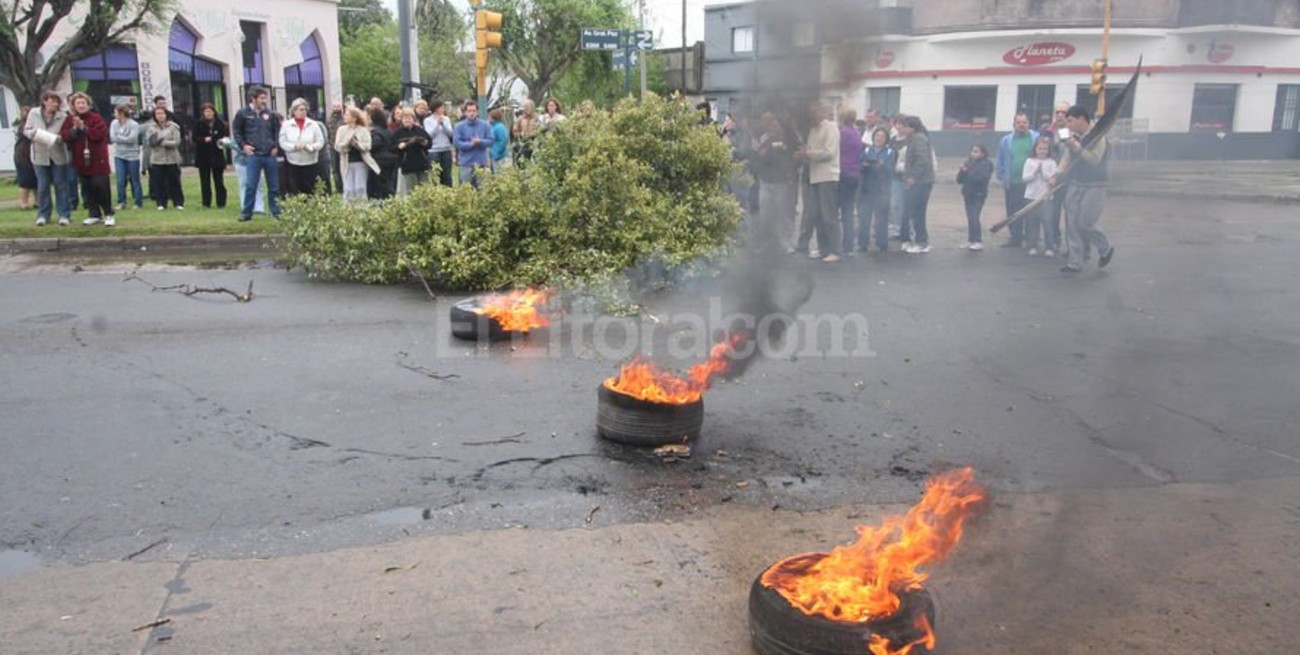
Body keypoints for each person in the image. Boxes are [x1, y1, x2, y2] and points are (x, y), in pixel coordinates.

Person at [1055, 105, 1115, 273]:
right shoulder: (1072, 136)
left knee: (1085, 223)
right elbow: (1066, 157)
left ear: (1082, 119)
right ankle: (1074, 262)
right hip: (1075, 182)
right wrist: (1057, 174)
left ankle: (1105, 248)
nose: (1067, 124)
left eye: (1070, 120)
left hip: (1096, 184)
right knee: (1072, 224)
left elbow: (1094, 160)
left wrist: (1076, 147)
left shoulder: (1099, 137)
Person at [794, 102, 842, 263]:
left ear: (822, 112)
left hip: (828, 176)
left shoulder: (831, 128)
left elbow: (829, 153)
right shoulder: (813, 130)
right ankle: (824, 249)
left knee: (829, 216)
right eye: (810, 113)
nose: (811, 116)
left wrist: (807, 153)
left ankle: (835, 250)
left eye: (814, 112)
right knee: (819, 215)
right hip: (815, 176)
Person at [60, 92, 114, 226]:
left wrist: (84, 128)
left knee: (100, 186)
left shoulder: (96, 118)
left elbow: (100, 134)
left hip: (98, 159)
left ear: (88, 104)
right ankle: (94, 213)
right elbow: (65, 136)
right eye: (78, 103)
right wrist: (75, 129)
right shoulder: (69, 120)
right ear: (73, 106)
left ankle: (108, 213)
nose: (81, 105)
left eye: (83, 103)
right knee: (87, 188)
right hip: (81, 160)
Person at [231, 86, 282, 220]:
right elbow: (237, 131)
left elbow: (277, 131)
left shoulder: (271, 114)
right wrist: (243, 146)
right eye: (262, 98)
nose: (264, 101)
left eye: (265, 98)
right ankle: (247, 212)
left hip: (269, 154)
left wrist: (275, 146)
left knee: (274, 185)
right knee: (251, 185)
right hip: (254, 155)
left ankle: (275, 212)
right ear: (253, 98)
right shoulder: (243, 113)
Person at [750, 111, 797, 253]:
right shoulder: (764, 139)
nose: (774, 128)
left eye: (776, 125)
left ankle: (786, 243)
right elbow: (760, 156)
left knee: (783, 214)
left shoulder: (787, 139)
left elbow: (789, 157)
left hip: (781, 182)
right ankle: (766, 243)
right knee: (765, 215)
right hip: (766, 181)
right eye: (771, 125)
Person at [24, 90, 71, 226]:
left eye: (56, 102)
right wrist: (34, 134)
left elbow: (66, 134)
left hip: (57, 154)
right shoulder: (34, 113)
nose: (54, 105)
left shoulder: (62, 116)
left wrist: (58, 138)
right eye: (51, 101)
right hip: (39, 154)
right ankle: (43, 215)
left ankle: (64, 214)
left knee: (60, 185)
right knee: (43, 186)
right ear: (44, 102)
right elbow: (26, 130)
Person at [995, 112, 1039, 248]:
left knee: (1032, 212)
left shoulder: (1036, 138)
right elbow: (1000, 158)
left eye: (1024, 122)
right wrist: (1001, 175)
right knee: (1013, 211)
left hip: (1032, 182)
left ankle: (1032, 239)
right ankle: (1015, 238)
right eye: (1018, 122)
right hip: (1013, 182)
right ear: (1014, 125)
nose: (1021, 125)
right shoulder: (1006, 140)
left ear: (1028, 124)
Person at [899, 116, 935, 254]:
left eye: (906, 126)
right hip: (920, 181)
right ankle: (919, 240)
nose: (903, 129)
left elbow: (922, 160)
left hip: (921, 182)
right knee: (916, 212)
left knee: (918, 212)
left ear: (912, 128)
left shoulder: (918, 139)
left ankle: (922, 242)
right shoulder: (915, 138)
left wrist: (913, 177)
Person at [859, 127, 896, 252]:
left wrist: (882, 165)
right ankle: (862, 243)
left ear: (886, 139)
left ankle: (882, 243)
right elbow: (859, 166)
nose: (879, 138)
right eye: (877, 136)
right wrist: (864, 165)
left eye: (882, 136)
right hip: (867, 188)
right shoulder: (867, 150)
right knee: (864, 217)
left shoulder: (890, 152)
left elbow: (891, 170)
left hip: (882, 189)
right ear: (873, 137)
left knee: (881, 218)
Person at [279, 98, 325, 196]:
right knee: (295, 187)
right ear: (294, 111)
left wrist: (311, 147)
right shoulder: (287, 125)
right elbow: (282, 142)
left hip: (310, 161)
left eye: (305, 109)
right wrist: (294, 146)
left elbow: (320, 141)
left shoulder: (313, 124)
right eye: (300, 109)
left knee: (310, 188)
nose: (303, 112)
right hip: (293, 162)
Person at [1022, 135, 1059, 257]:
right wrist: (1034, 172)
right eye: (1040, 148)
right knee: (1031, 222)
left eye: (1045, 149)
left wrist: (1043, 173)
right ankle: (1032, 245)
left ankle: (1049, 246)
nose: (1042, 151)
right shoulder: (1029, 161)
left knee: (1047, 222)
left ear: (1048, 150)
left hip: (1046, 197)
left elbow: (1053, 179)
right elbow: (1025, 178)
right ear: (1035, 149)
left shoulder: (1052, 163)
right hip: (1031, 196)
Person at [145, 105, 185, 210]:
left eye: (162, 113)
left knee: (174, 181)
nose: (160, 116)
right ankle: (161, 203)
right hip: (157, 159)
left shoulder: (173, 126)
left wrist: (163, 142)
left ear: (166, 115)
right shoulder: (151, 127)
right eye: (157, 114)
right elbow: (150, 142)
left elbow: (177, 141)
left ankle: (178, 203)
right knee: (159, 182)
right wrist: (155, 142)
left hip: (172, 158)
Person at [334, 106, 377, 202]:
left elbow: (368, 146)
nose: (344, 116)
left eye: (347, 114)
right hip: (346, 162)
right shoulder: (341, 129)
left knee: (360, 187)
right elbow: (337, 146)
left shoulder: (363, 130)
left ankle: (362, 211)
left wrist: (357, 144)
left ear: (354, 118)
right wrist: (347, 143)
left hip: (360, 162)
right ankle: (348, 211)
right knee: (348, 188)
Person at [956, 144, 993, 251]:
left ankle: (978, 240)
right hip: (968, 193)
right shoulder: (968, 162)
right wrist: (962, 171)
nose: (973, 153)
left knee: (974, 216)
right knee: (970, 217)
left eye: (976, 151)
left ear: (983, 153)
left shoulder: (986, 164)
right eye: (972, 151)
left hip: (979, 194)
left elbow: (981, 179)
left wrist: (967, 171)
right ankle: (971, 240)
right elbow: (959, 180)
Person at [191, 103, 229, 208]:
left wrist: (222, 141)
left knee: (219, 180)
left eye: (210, 111)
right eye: (206, 111)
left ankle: (221, 203)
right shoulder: (198, 124)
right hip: (203, 155)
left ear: (214, 112)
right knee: (205, 181)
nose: (208, 113)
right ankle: (206, 203)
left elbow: (226, 136)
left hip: (217, 154)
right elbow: (194, 138)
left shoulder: (221, 123)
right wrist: (203, 139)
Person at [837, 108, 862, 254]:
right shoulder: (856, 132)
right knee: (848, 212)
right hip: (854, 174)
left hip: (843, 174)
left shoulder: (843, 133)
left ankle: (838, 244)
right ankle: (848, 245)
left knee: (837, 212)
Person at [108, 105, 143, 210]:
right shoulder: (114, 123)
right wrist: (123, 138)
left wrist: (119, 137)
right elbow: (112, 138)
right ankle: (121, 202)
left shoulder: (134, 124)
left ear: (121, 113)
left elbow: (132, 139)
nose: (114, 114)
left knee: (134, 179)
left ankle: (137, 202)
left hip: (132, 155)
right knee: (120, 180)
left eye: (116, 112)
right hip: (119, 155)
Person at [454, 100, 493, 189]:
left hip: (481, 163)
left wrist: (480, 142)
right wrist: (471, 144)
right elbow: (457, 143)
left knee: (483, 190)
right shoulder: (459, 126)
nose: (472, 113)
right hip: (466, 164)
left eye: (474, 111)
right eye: (469, 111)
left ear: (477, 112)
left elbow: (490, 141)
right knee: (466, 191)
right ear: (465, 112)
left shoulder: (485, 125)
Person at [392, 107, 431, 195]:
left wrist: (425, 143)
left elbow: (429, 143)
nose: (407, 120)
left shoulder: (420, 131)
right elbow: (391, 147)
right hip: (407, 166)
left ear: (413, 119)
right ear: (401, 120)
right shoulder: (398, 133)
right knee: (411, 191)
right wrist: (399, 146)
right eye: (405, 118)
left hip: (422, 165)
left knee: (425, 190)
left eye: (409, 118)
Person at [367, 107, 398, 199]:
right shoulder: (388, 130)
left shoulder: (375, 131)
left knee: (381, 184)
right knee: (389, 182)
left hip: (380, 160)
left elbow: (376, 143)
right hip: (392, 158)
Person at [423, 100, 455, 187]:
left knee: (447, 175)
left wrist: (443, 124)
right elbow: (429, 135)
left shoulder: (446, 119)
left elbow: (451, 134)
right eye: (441, 107)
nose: (443, 109)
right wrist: (437, 125)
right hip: (434, 150)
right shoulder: (427, 120)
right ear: (435, 109)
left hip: (446, 149)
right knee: (435, 174)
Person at [12, 106, 38, 211]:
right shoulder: (24, 126)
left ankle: (38, 202)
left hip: (34, 155)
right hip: (23, 157)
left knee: (37, 180)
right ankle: (24, 203)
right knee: (25, 181)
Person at [512, 99, 540, 164]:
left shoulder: (537, 118)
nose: (526, 109)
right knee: (522, 160)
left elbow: (540, 129)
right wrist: (519, 134)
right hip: (524, 142)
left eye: (528, 107)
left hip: (534, 141)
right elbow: (515, 130)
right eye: (525, 107)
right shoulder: (520, 118)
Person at [326, 101, 345, 194]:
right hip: (332, 146)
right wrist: (328, 142)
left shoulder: (345, 119)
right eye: (335, 106)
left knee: (343, 167)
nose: (336, 108)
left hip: (343, 147)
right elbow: (327, 132)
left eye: (338, 106)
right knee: (335, 168)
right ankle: (338, 188)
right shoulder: (329, 120)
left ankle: (345, 186)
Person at [488, 106, 511, 171]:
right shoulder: (493, 126)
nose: (488, 118)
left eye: (489, 116)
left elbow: (503, 140)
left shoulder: (499, 127)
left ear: (493, 117)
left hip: (500, 156)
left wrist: (496, 152)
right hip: (494, 155)